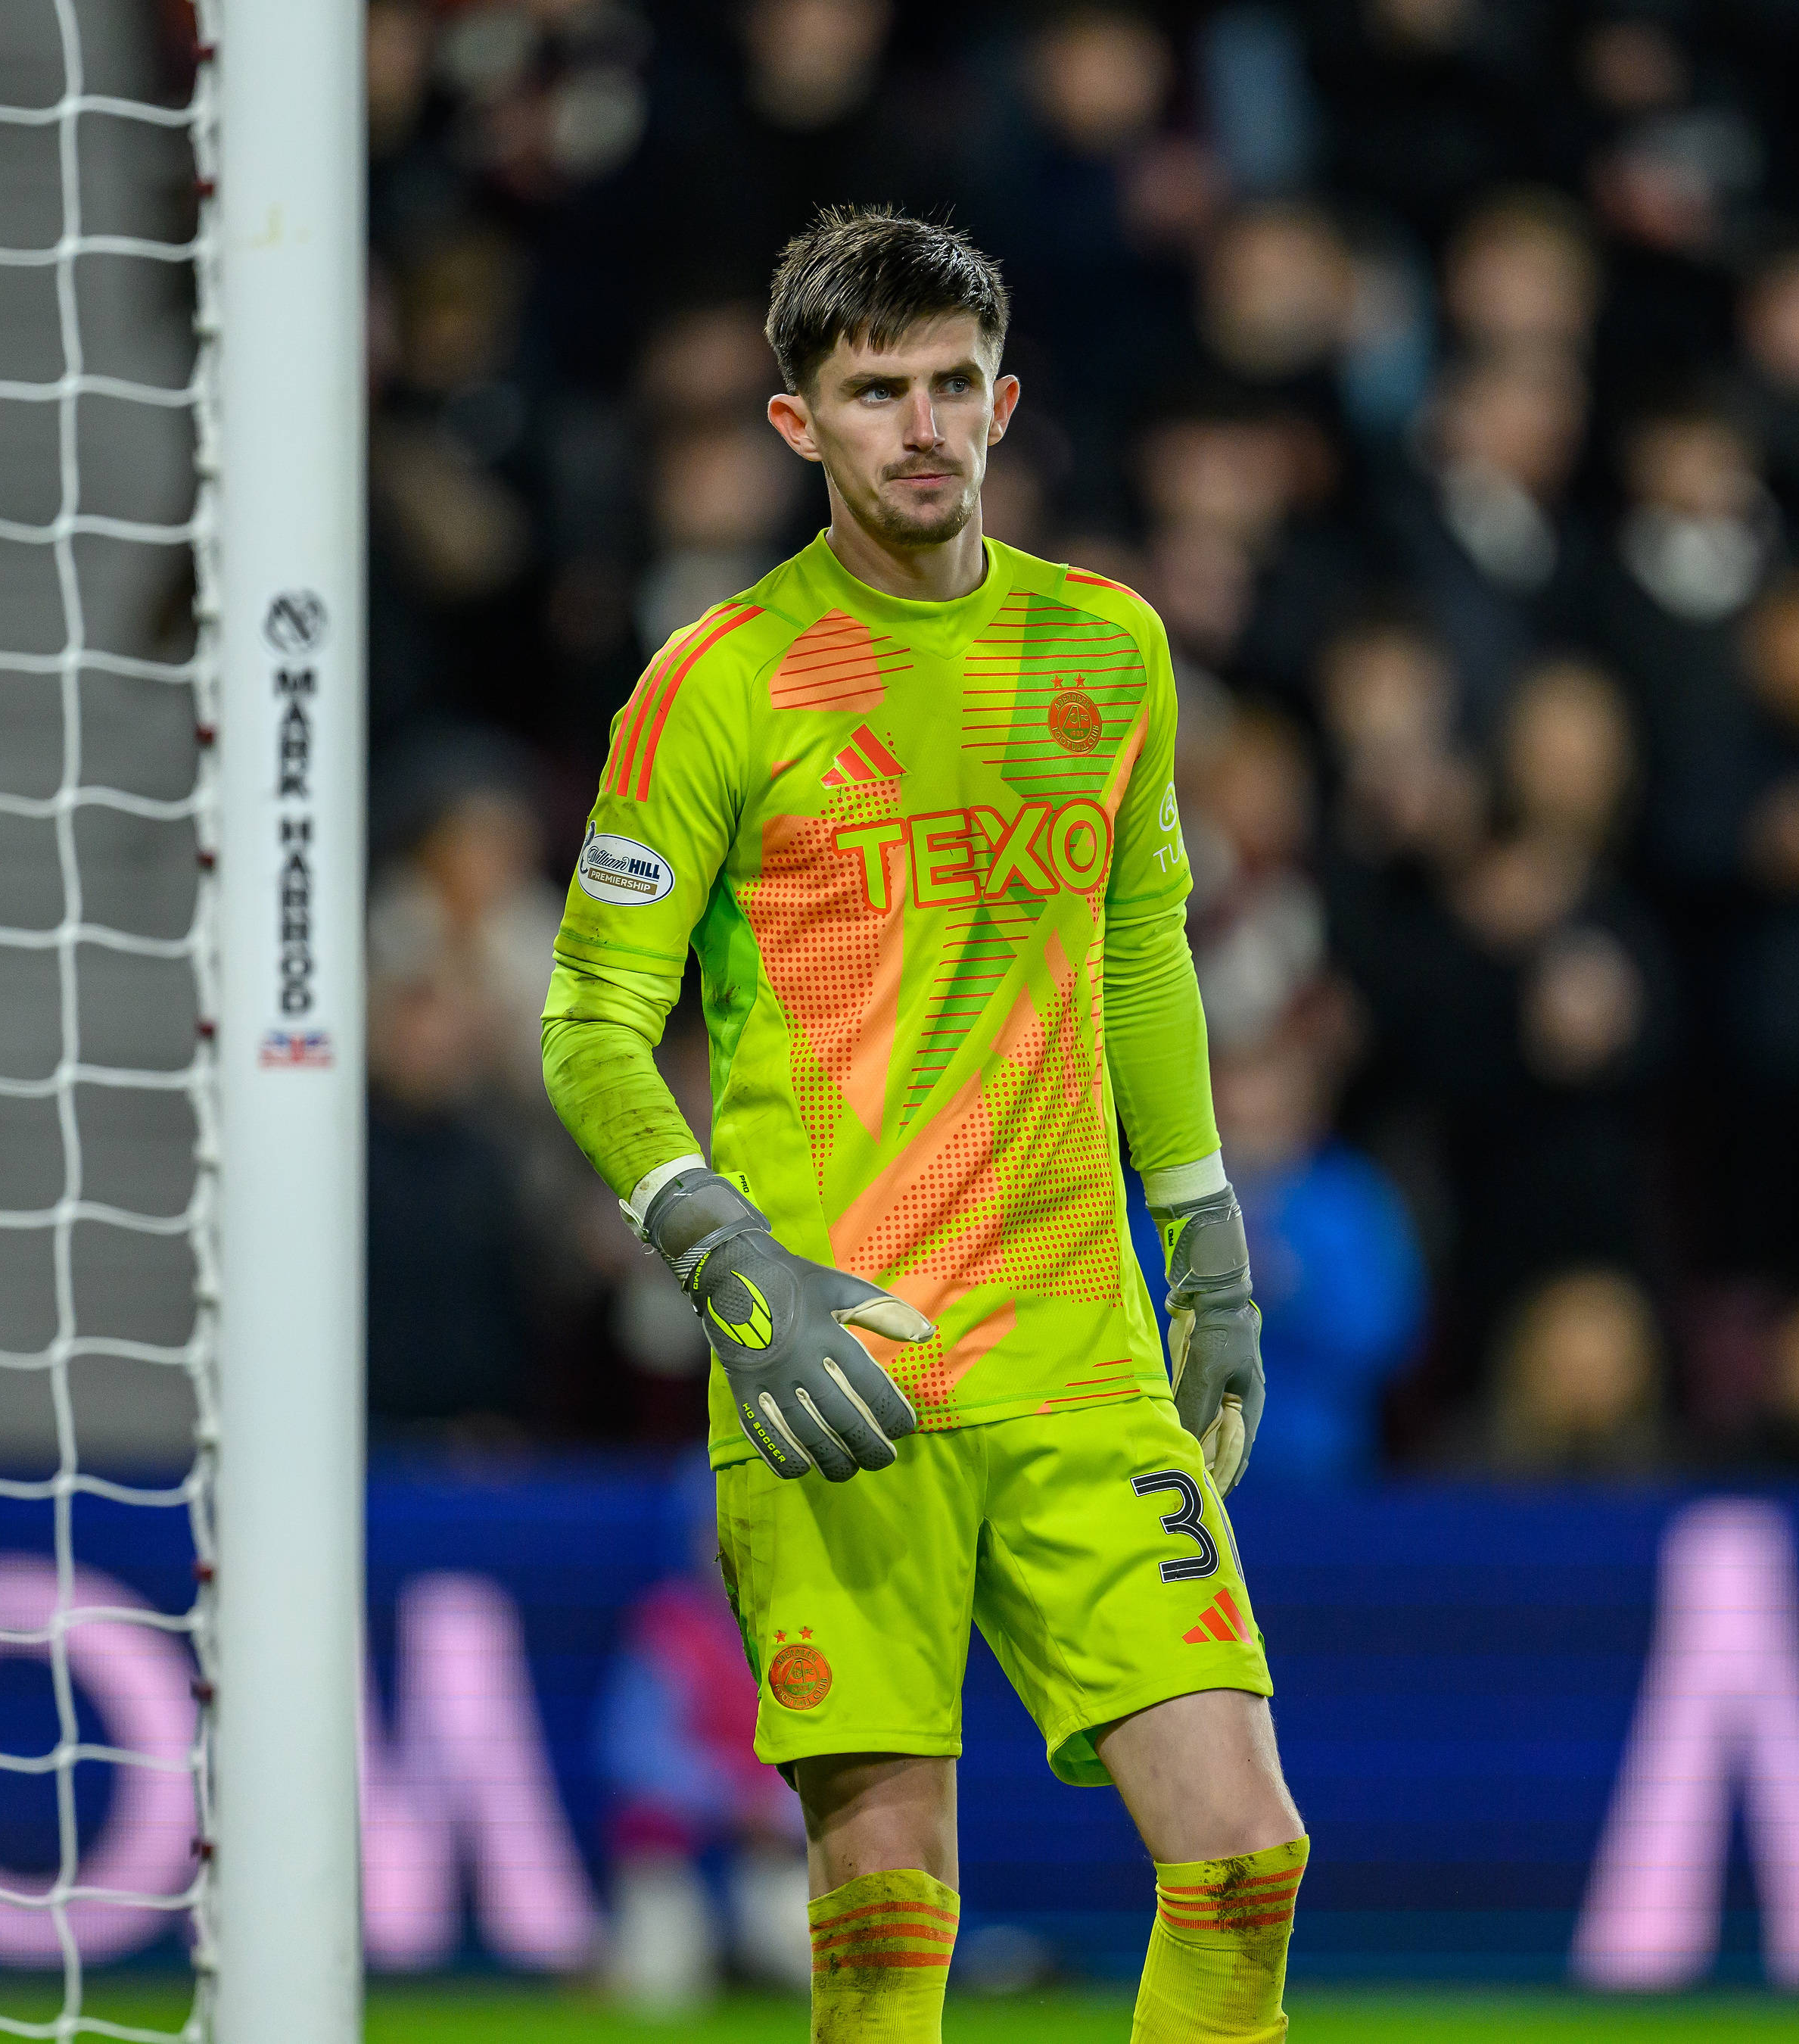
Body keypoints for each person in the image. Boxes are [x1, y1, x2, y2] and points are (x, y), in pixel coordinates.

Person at [542, 207, 1306, 2042]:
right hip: (840, 1356)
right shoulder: (716, 684)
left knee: (1245, 1857)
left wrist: (1205, 1244)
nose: (923, 426)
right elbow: (589, 1025)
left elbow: (1139, 949)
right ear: (797, 424)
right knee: (889, 1918)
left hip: (1077, 1350)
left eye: (955, 385)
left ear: (1005, 402)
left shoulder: (1108, 648)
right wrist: (730, 1264)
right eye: (877, 391)